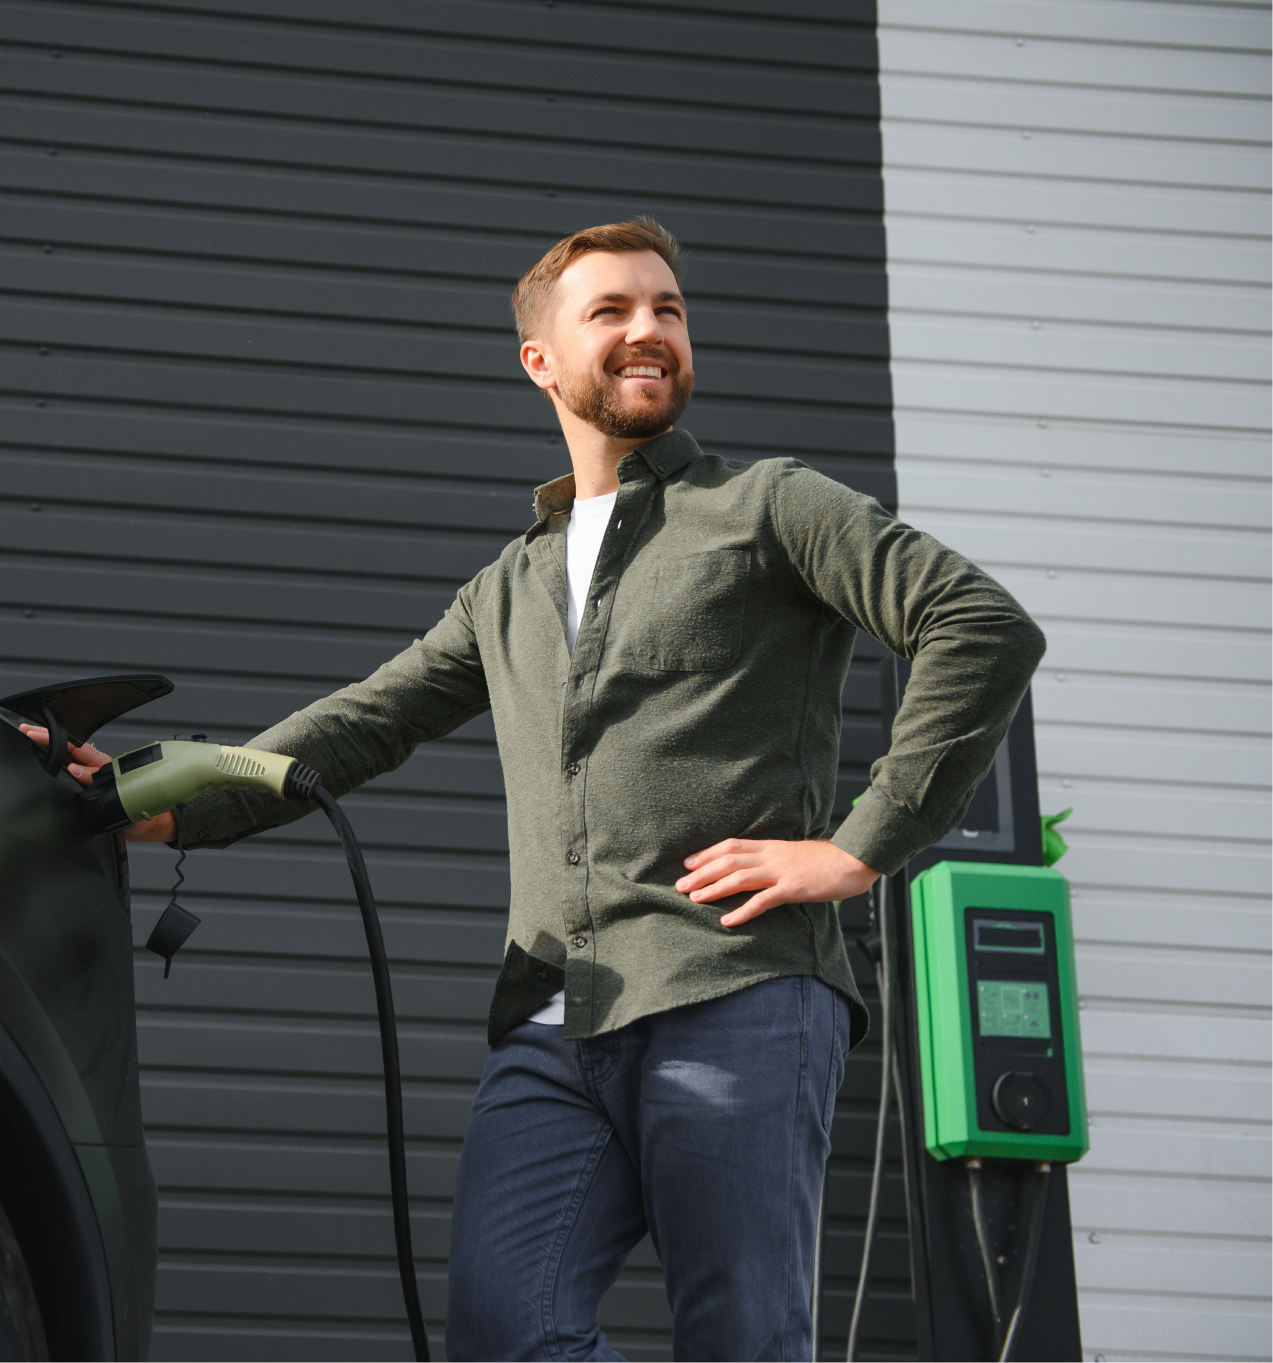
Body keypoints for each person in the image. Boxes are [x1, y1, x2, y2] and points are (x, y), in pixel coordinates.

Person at [29, 218, 1045, 1361]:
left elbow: (979, 625)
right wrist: (157, 798)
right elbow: (367, 718)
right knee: (505, 1334)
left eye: (666, 307)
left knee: (745, 1340)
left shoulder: (770, 505)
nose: (647, 330)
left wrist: (860, 845)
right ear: (542, 360)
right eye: (609, 311)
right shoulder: (507, 586)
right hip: (553, 1019)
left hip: (738, 992)